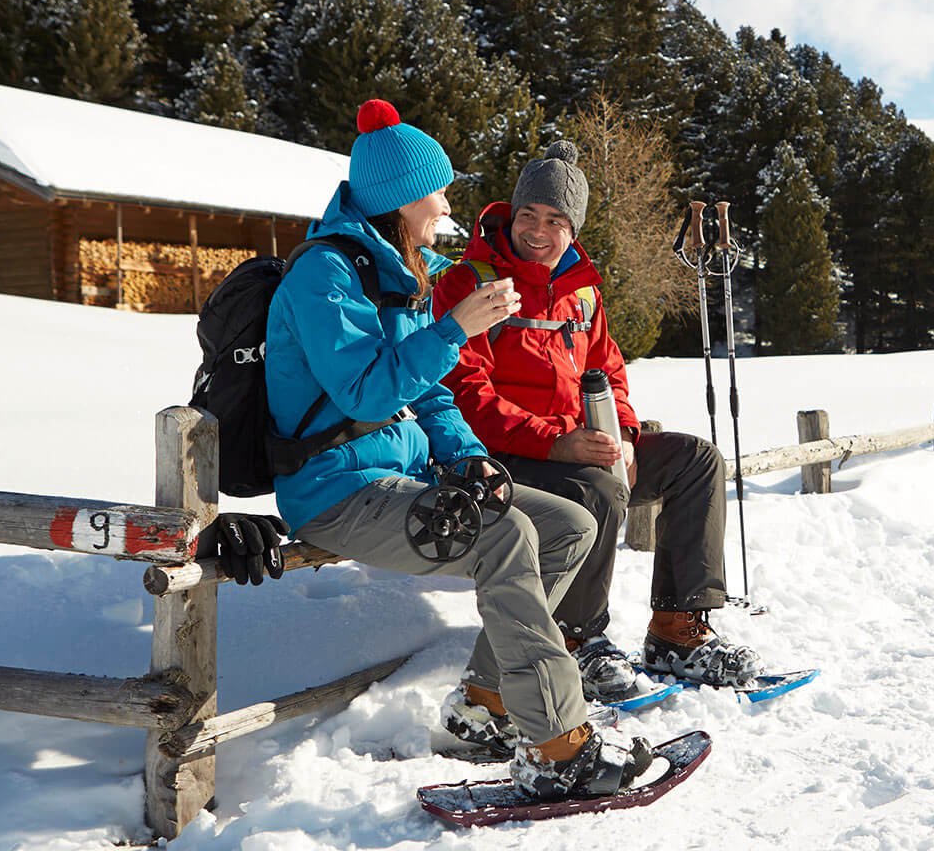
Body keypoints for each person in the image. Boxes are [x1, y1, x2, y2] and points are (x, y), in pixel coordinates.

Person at [262, 101, 649, 799]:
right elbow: (366, 394)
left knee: (570, 525)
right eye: (437, 190)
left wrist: (472, 458)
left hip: (402, 475)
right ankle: (558, 741)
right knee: (503, 536)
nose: (447, 202)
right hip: (338, 491)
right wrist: (454, 328)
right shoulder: (327, 278)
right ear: (404, 198)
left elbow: (432, 393)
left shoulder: (401, 270)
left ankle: (487, 704)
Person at [431, 140, 765, 704]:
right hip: (499, 455)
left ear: (573, 227)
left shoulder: (581, 291)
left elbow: (607, 369)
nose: (538, 231)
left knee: (696, 459)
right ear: (512, 214)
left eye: (556, 220)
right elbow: (466, 394)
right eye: (529, 215)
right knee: (599, 486)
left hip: (577, 443)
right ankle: (577, 637)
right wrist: (559, 443)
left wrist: (626, 436)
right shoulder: (470, 283)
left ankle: (677, 630)